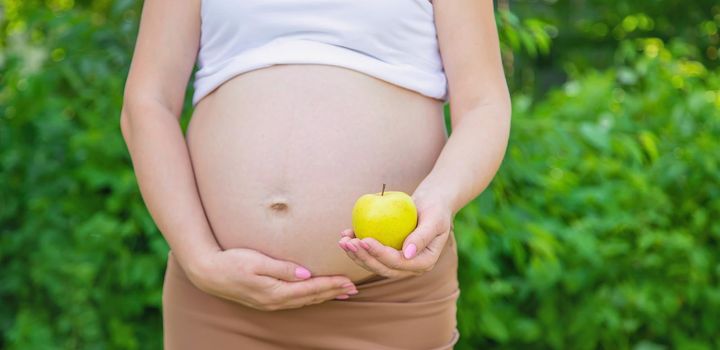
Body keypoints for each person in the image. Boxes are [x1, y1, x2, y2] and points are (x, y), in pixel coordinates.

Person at [119, 0, 510, 348]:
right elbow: (147, 101)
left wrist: (440, 198)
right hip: (220, 300)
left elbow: (484, 103)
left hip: (386, 299)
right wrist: (200, 260)